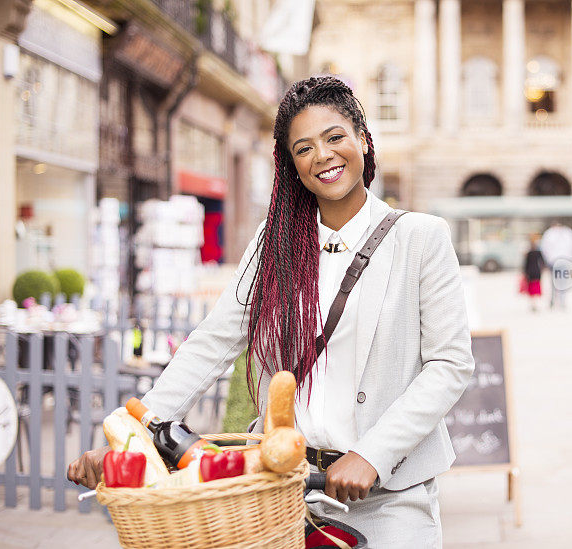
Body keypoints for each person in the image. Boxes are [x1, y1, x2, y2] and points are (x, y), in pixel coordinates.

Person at [67, 76, 475, 547]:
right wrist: (131, 436)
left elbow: (449, 364)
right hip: (282, 489)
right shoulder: (274, 242)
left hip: (390, 496)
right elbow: (211, 343)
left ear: (363, 139)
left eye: (335, 137)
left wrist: (372, 455)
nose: (322, 155)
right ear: (291, 165)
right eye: (304, 148)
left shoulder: (420, 237)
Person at [540, 221, 572, 309]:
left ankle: (555, 301)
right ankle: (561, 301)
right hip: (562, 260)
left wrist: (548, 259)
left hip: (555, 260)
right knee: (562, 282)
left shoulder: (549, 233)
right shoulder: (567, 233)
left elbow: (544, 248)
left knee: (554, 282)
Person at [522, 234, 545, 311]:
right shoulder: (538, 253)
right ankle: (535, 304)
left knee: (531, 289)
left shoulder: (528, 253)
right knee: (535, 289)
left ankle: (533, 304)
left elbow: (525, 265)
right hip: (537, 272)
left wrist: (525, 273)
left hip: (530, 273)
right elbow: (543, 263)